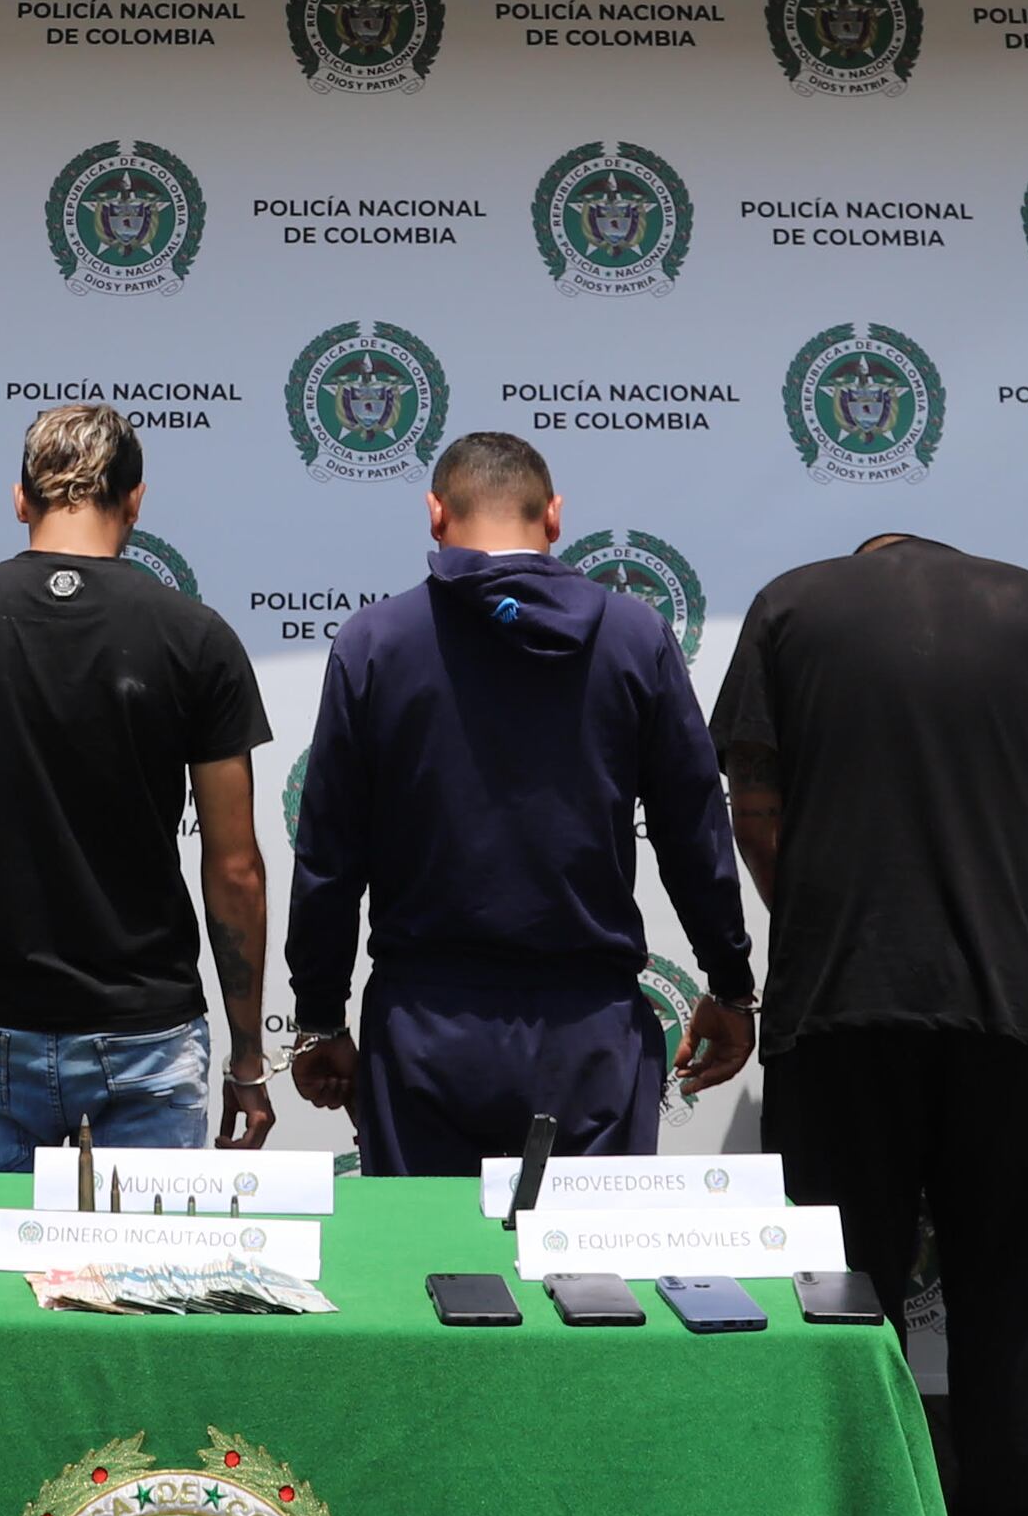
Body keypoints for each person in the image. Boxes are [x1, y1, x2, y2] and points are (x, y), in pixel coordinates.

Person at [712, 527, 1028, 1516]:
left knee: (840, 1312)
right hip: (1015, 1017)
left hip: (839, 1014)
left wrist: (829, 912)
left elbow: (754, 804)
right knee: (1014, 1310)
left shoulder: (789, 601)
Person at [283, 430, 755, 1173]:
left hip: (426, 1034)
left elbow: (329, 859)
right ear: (555, 516)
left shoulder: (374, 642)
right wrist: (730, 983)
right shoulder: (637, 638)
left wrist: (317, 1016)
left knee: (429, 1280)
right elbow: (693, 831)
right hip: (589, 1035)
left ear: (436, 514)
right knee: (592, 1287)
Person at [0, 403, 275, 1168]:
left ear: (21, 499)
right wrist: (247, 1055)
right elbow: (236, 867)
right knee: (144, 1287)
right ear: (137, 500)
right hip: (145, 1030)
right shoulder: (196, 636)